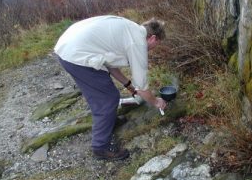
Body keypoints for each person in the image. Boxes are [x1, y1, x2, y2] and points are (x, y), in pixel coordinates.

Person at [54, 15, 167, 160]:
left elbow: (110, 66)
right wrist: (157, 102)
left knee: (103, 93)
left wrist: (129, 86)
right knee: (107, 99)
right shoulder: (137, 42)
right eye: (156, 45)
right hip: (75, 55)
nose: (153, 49)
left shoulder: (131, 29)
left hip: (70, 47)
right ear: (153, 38)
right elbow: (143, 86)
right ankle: (101, 147)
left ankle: (108, 121)